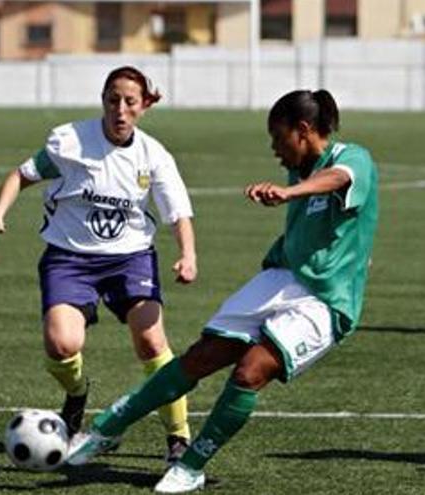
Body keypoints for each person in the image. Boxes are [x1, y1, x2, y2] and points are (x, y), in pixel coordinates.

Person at [65, 89, 379, 493]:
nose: (275, 150)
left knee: (250, 371)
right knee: (201, 357)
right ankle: (107, 429)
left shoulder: (352, 159)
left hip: (326, 301)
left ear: (303, 131)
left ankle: (192, 464)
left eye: (278, 138)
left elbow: (340, 180)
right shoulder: (300, 167)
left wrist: (289, 193)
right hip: (282, 277)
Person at [0, 66, 195, 465]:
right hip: (69, 257)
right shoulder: (70, 142)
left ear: (145, 105)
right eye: (113, 100)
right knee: (62, 345)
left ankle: (178, 437)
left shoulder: (154, 155)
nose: (120, 110)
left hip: (130, 258)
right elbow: (21, 175)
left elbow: (178, 214)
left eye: (130, 102)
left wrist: (188, 254)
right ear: (103, 101)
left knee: (151, 342)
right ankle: (77, 396)